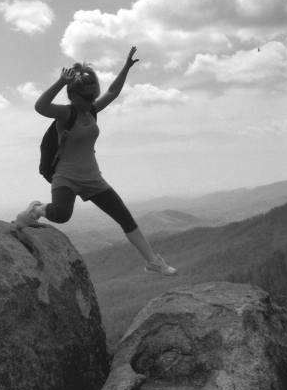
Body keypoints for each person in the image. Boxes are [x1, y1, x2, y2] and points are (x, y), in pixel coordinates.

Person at [15, 47, 176, 276]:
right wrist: (61, 82)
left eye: (93, 95)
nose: (92, 100)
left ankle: (153, 262)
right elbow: (40, 107)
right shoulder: (65, 114)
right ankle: (36, 209)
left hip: (93, 178)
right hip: (66, 177)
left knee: (124, 217)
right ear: (73, 96)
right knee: (61, 215)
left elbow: (112, 92)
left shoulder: (91, 112)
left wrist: (126, 68)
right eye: (87, 96)